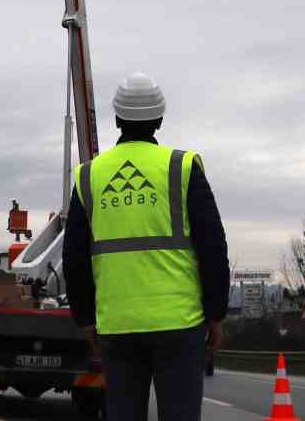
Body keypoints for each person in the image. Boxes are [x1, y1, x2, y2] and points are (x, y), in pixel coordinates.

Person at [62, 72, 230, 421]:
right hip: (180, 324)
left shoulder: (89, 175)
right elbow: (213, 246)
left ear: (118, 118)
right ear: (160, 118)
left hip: (117, 326)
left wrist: (85, 319)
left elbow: (74, 257)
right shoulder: (181, 167)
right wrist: (216, 314)